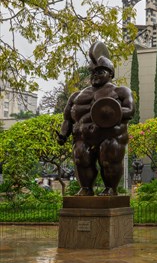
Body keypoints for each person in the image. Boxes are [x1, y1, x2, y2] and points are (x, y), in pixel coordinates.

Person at [57, 42, 135, 196]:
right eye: (93, 72)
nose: (95, 75)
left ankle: (111, 189)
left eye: (100, 72)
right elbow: (67, 118)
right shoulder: (76, 96)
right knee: (80, 158)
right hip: (82, 137)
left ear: (110, 74)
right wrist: (63, 134)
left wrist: (111, 113)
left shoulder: (120, 91)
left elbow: (130, 111)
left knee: (109, 160)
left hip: (110, 135)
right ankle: (86, 189)